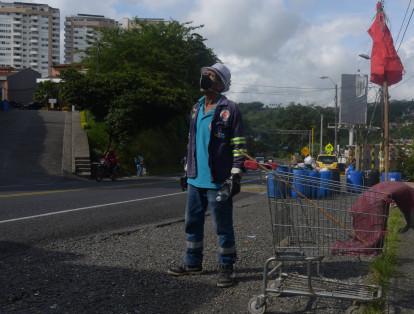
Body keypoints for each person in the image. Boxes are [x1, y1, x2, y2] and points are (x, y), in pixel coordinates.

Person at [168, 63, 246, 288]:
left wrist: (235, 174)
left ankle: (226, 267)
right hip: (195, 178)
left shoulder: (230, 109)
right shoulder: (196, 108)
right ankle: (192, 263)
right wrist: (186, 169)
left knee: (222, 226)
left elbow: (239, 144)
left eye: (211, 76)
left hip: (218, 180)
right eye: (205, 74)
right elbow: (191, 141)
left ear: (221, 83)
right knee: (192, 222)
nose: (206, 78)